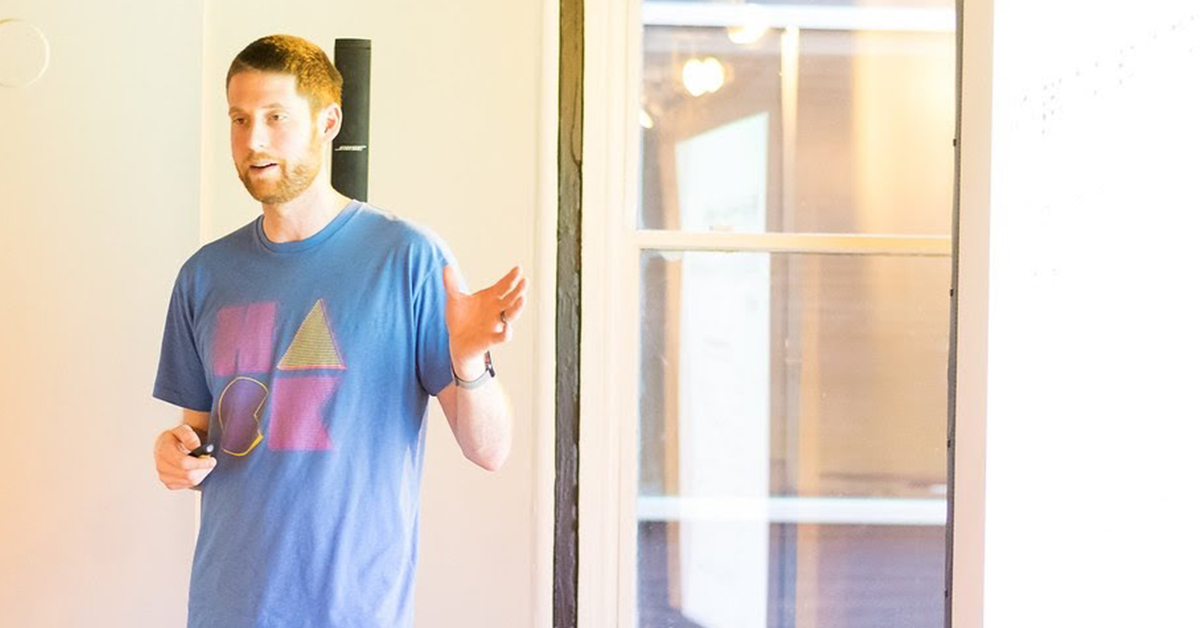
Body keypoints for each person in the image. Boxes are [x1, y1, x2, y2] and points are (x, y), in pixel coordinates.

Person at [151, 34, 525, 628]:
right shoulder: (204, 275)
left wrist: (470, 360)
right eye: (239, 119)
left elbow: (491, 451)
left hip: (354, 610)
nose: (254, 140)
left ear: (328, 121)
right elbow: (197, 438)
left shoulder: (407, 257)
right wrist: (173, 456)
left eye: (276, 117)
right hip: (225, 607)